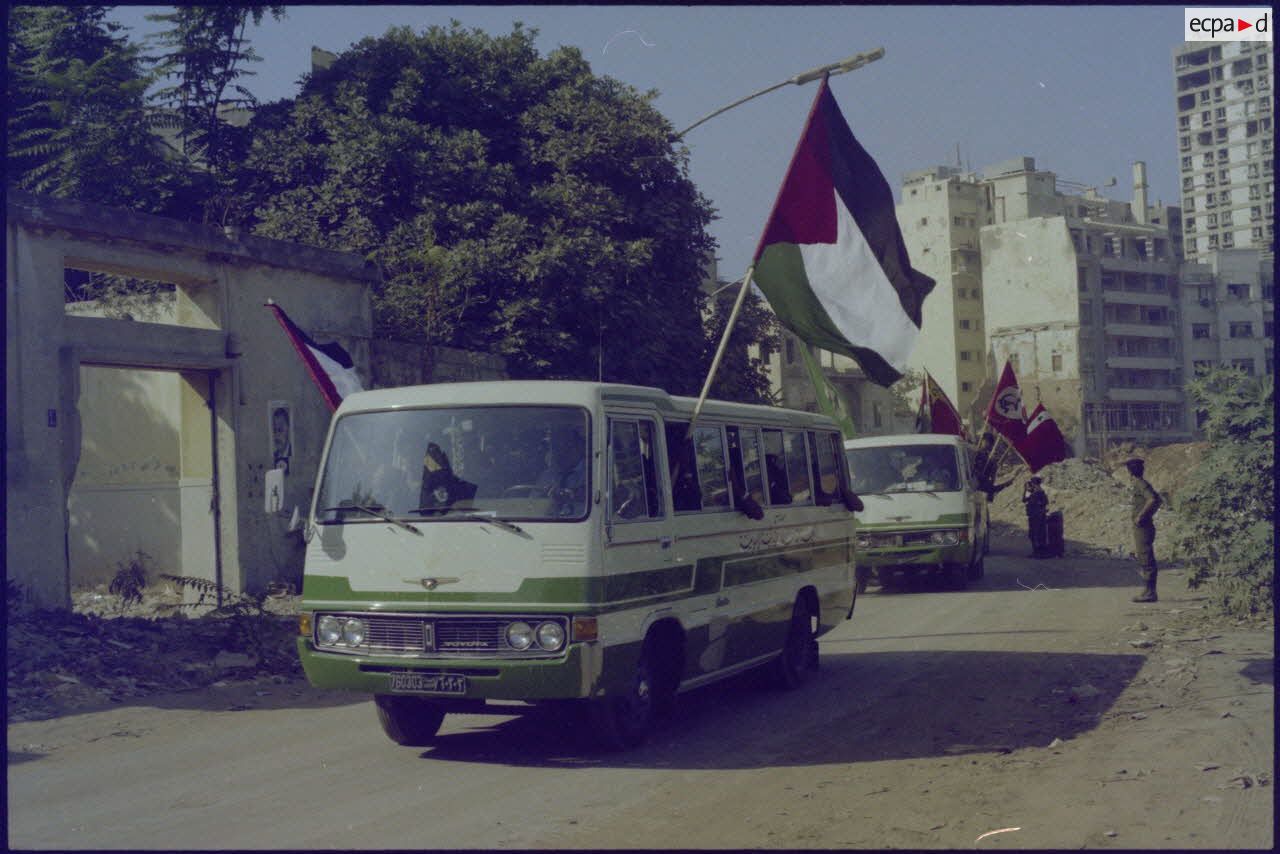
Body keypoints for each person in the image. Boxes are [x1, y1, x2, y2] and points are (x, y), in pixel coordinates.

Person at [1126, 457, 1163, 603]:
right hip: (1143, 526)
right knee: (1144, 557)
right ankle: (1148, 591)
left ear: (1130, 472)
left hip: (1143, 527)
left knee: (1146, 558)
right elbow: (1158, 499)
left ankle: (1150, 593)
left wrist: (1141, 516)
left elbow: (1153, 499)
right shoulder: (1141, 483)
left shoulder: (1140, 484)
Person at [536, 425, 587, 515]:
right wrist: (544, 496)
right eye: (556, 447)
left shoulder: (593, 473)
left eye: (567, 445)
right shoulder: (547, 475)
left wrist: (572, 494)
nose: (560, 451)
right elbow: (532, 503)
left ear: (578, 446)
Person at [1022, 476, 1049, 558]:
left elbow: (1025, 500)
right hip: (1037, 516)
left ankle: (1039, 553)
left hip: (1036, 517)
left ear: (1034, 483)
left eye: (1032, 483)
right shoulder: (1037, 492)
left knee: (1035, 534)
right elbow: (1024, 500)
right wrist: (1026, 490)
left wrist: (1026, 490)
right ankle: (1038, 553)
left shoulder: (1038, 492)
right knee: (1037, 534)